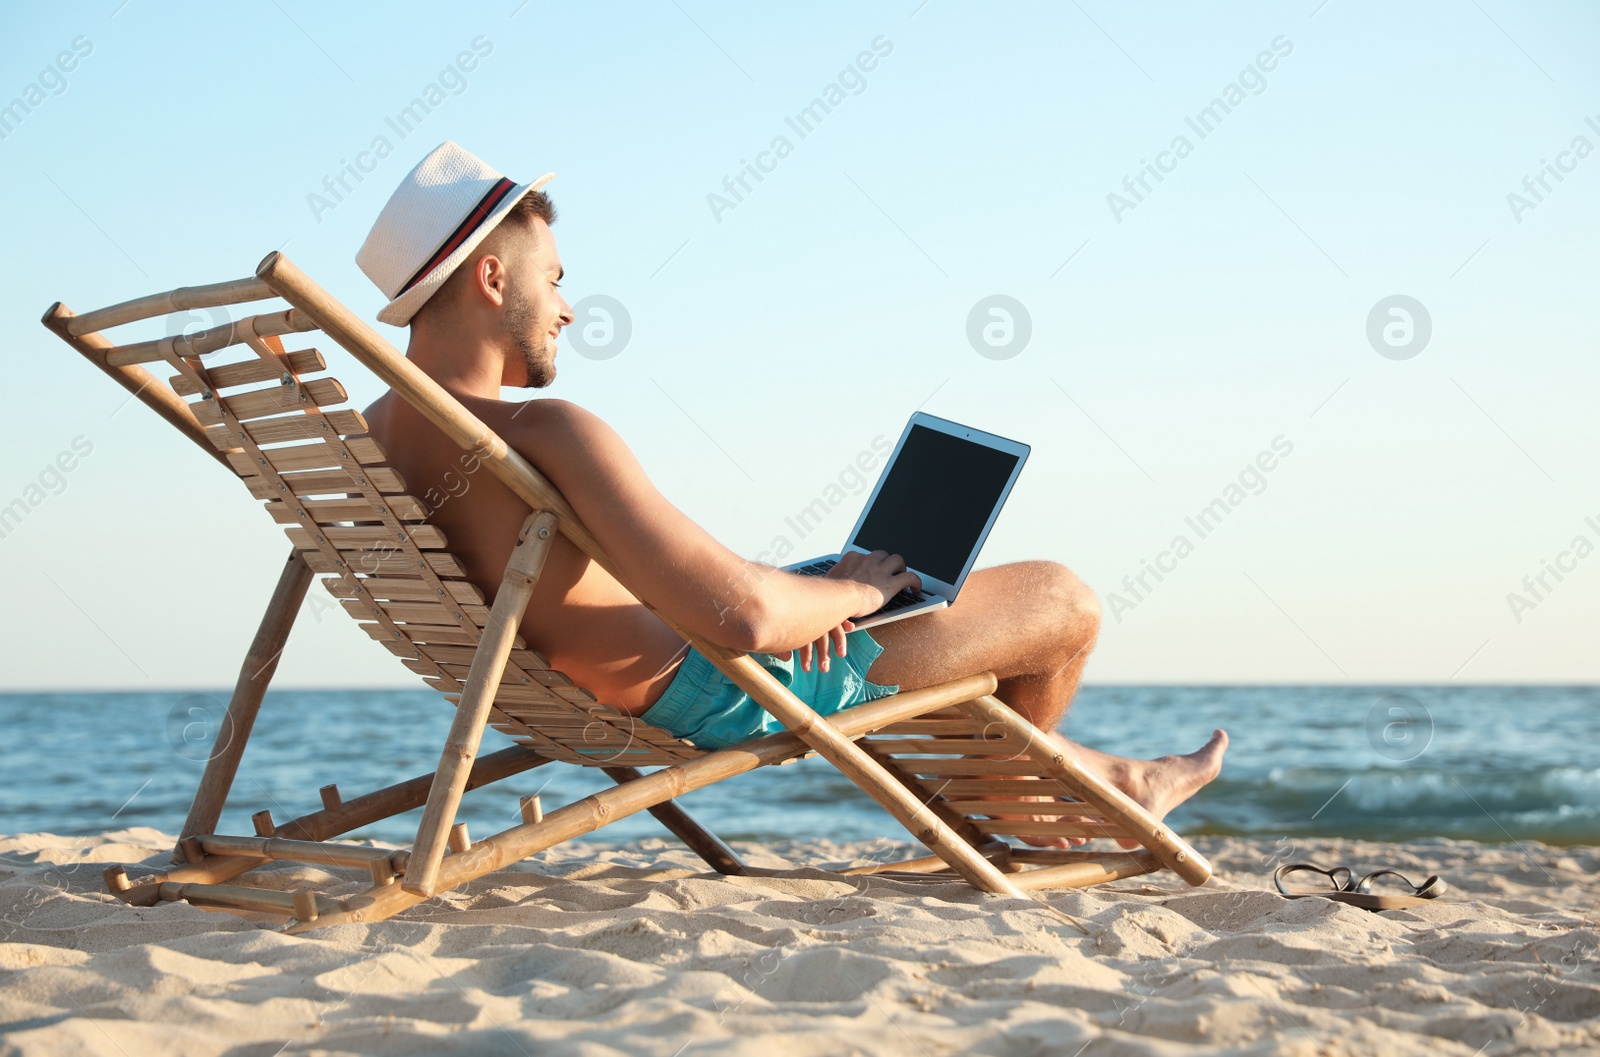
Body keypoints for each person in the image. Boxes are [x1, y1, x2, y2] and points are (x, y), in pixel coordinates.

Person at [357, 142, 1227, 849]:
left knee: (836, 590)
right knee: (1063, 599)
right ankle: (1009, 811)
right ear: (491, 278)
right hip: (725, 680)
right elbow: (742, 619)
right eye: (552, 278)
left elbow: (683, 594)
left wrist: (802, 587)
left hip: (605, 680)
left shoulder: (371, 436)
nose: (570, 308)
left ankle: (1098, 779)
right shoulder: (545, 431)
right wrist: (859, 590)